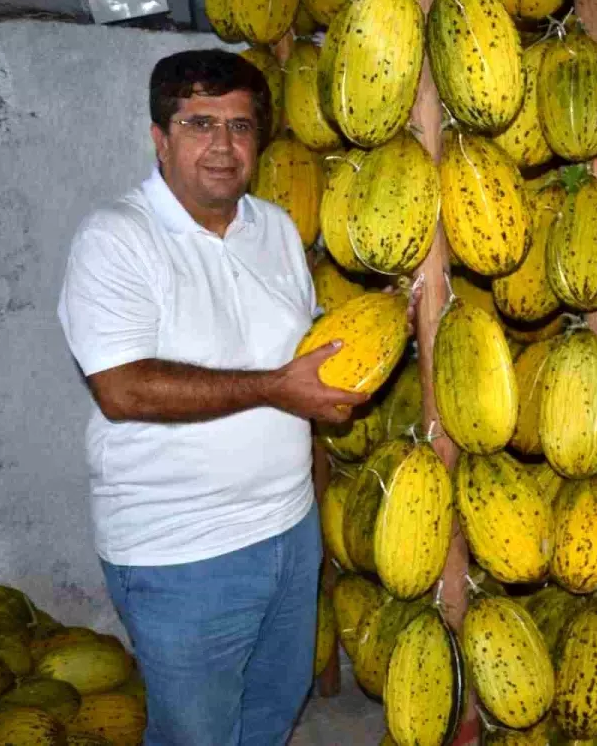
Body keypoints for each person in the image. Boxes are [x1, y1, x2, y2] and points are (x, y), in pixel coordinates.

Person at [57, 49, 368, 745]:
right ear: (159, 138)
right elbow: (122, 387)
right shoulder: (116, 238)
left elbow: (302, 372)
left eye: (240, 125)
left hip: (288, 534)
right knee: (197, 734)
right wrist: (273, 389)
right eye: (199, 123)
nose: (223, 145)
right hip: (181, 553)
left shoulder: (279, 231)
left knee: (268, 716)